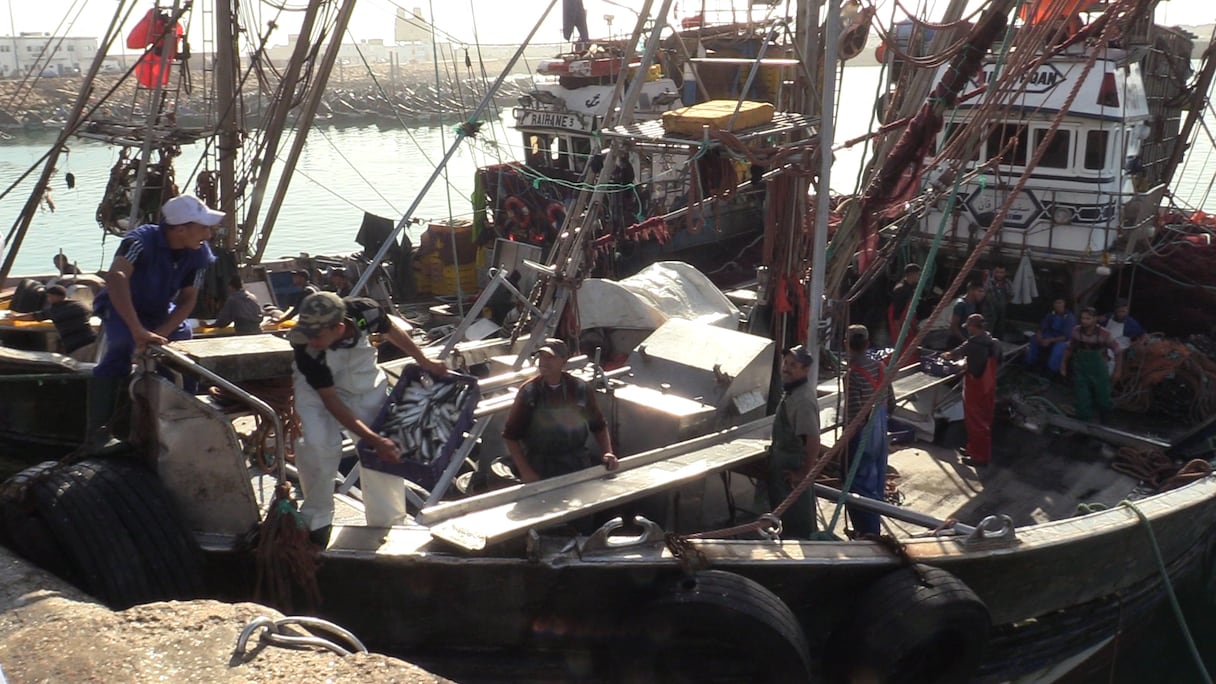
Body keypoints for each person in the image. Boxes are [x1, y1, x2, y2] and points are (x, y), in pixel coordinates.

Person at [289, 291, 447, 546]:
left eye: (317, 335)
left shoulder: (367, 311)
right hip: (318, 394)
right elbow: (331, 401)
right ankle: (316, 522)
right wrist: (373, 438)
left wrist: (424, 360)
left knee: (383, 455)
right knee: (319, 448)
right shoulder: (307, 349)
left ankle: (388, 521)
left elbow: (390, 329)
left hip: (365, 385)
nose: (312, 340)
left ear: (339, 327)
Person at [88, 193, 221, 442]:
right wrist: (138, 330)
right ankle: (98, 434)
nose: (208, 235)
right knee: (122, 346)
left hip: (160, 310)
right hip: (121, 306)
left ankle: (184, 417)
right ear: (181, 229)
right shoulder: (140, 240)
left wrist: (161, 332)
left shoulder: (199, 253)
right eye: (203, 228)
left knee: (183, 347)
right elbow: (116, 277)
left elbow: (187, 299)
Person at [502, 338, 618, 483]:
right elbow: (510, 436)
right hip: (541, 465)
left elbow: (599, 426)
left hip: (577, 464)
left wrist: (607, 452)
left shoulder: (580, 388)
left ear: (564, 361)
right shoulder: (529, 392)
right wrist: (526, 472)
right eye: (542, 357)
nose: (544, 362)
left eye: (550, 357)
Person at [843, 324, 895, 537]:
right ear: (867, 344)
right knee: (877, 481)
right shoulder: (881, 367)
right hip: (880, 432)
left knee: (859, 486)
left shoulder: (852, 374)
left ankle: (867, 534)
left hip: (863, 434)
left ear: (846, 344)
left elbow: (855, 414)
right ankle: (873, 530)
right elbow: (891, 402)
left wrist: (843, 445)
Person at [765, 345, 820, 539]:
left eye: (793, 365)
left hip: (792, 474)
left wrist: (803, 473)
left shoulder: (803, 399)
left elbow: (812, 440)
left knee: (798, 528)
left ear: (805, 369)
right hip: (781, 471)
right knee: (784, 522)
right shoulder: (791, 392)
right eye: (785, 363)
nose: (786, 368)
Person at [943, 314, 1000, 467]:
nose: (967, 330)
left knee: (976, 422)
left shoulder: (973, 344)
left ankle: (980, 457)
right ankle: (973, 449)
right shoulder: (993, 342)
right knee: (983, 420)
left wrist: (947, 356)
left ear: (974, 327)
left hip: (977, 389)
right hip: (988, 387)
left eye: (968, 327)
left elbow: (954, 354)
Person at [6, 284, 97, 362]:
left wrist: (15, 317)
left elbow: (34, 316)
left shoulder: (55, 310)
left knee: (80, 370)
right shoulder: (78, 305)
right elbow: (91, 312)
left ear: (57, 297)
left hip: (77, 346)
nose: (49, 299)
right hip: (93, 341)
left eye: (50, 296)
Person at [1061, 307, 1121, 423]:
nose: (1084, 321)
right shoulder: (1076, 331)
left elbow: (1118, 352)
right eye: (1083, 318)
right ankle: (1083, 426)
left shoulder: (1105, 334)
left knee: (1103, 399)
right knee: (1082, 400)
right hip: (1081, 370)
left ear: (1095, 319)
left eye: (1088, 318)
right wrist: (1063, 365)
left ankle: (1105, 423)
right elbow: (1069, 349)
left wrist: (1117, 371)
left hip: (1099, 371)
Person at [1026, 298, 1076, 374]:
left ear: (1064, 304)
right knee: (1034, 339)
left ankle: (1052, 371)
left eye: (1060, 302)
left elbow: (1066, 336)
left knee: (1058, 349)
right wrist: (1039, 336)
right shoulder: (1051, 314)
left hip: (1062, 339)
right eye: (1056, 303)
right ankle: (1030, 364)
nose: (1057, 305)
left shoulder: (1069, 317)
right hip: (1050, 335)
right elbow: (1042, 327)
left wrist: (1049, 340)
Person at [887, 263, 921, 360]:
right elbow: (896, 313)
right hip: (899, 321)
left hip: (907, 319)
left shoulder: (911, 287)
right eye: (917, 274)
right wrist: (900, 330)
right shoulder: (901, 290)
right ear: (912, 274)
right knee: (901, 345)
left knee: (911, 343)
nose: (919, 277)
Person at [949, 281, 986, 346]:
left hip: (968, 339)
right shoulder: (961, 304)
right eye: (979, 291)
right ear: (971, 290)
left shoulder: (975, 304)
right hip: (957, 341)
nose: (982, 294)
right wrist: (964, 341)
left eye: (983, 292)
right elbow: (954, 327)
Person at [982, 265, 1013, 340]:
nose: (999, 274)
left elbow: (1011, 294)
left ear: (1005, 273)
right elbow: (985, 292)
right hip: (989, 309)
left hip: (1001, 309)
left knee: (1000, 327)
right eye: (997, 272)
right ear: (994, 272)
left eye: (1002, 272)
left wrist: (1004, 303)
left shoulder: (1007, 283)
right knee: (988, 327)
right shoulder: (989, 281)